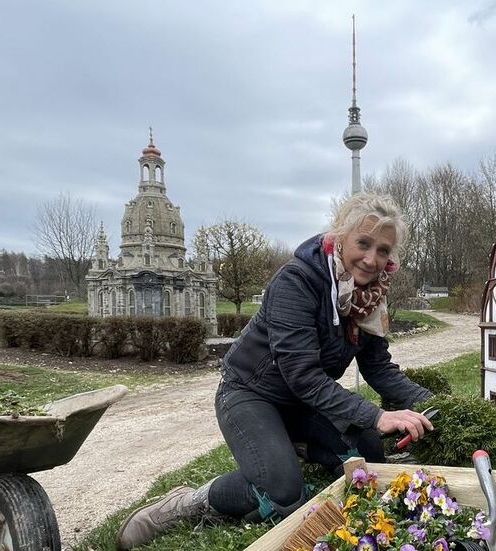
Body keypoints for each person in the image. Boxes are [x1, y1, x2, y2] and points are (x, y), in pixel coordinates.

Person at [118, 194, 435, 549]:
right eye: (364, 243)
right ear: (340, 237)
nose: (371, 258)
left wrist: (439, 406)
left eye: (383, 250)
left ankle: (292, 444)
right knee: (283, 491)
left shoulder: (371, 297)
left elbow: (378, 368)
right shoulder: (297, 281)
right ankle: (190, 501)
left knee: (369, 454)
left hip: (301, 403)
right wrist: (375, 415)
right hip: (251, 393)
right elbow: (302, 374)